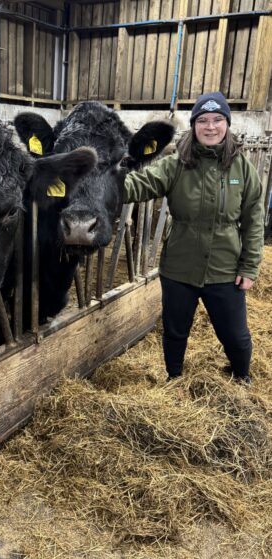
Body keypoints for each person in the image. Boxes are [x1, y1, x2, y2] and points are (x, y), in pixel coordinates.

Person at [123, 92, 264, 384]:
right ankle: (174, 378)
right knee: (175, 330)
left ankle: (241, 376)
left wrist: (249, 267)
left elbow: (253, 222)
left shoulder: (243, 170)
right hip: (179, 267)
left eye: (217, 120)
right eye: (203, 120)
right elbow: (141, 184)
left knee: (236, 335)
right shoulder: (175, 164)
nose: (210, 127)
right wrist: (102, 181)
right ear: (194, 125)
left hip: (225, 269)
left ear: (227, 124)